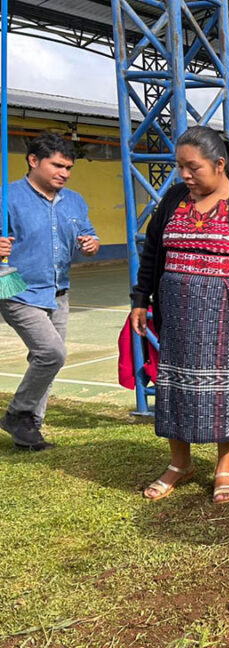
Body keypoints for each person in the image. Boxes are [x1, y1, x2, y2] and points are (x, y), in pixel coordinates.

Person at [130, 126, 229, 503]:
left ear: (219, 165)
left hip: (228, 316)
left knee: (227, 393)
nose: (185, 175)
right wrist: (140, 299)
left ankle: (224, 468)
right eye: (180, 167)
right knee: (176, 388)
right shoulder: (173, 200)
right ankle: (179, 464)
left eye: (194, 167)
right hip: (177, 317)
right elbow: (152, 252)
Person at [0, 134, 99, 451]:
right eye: (57, 165)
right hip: (18, 289)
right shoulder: (7, 197)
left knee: (45, 361)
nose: (64, 173)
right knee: (52, 353)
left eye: (68, 167)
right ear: (33, 161)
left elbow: (88, 234)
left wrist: (91, 244)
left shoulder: (75, 201)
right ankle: (18, 414)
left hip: (58, 290)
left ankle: (29, 432)